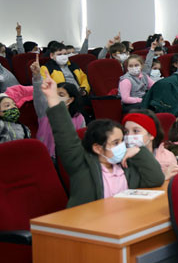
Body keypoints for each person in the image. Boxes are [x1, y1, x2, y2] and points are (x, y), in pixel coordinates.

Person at [42, 75, 164, 207]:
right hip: (90, 218)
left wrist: (140, 152)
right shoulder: (82, 165)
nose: (122, 146)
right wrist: (52, 98)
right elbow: (66, 136)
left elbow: (156, 179)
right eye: (115, 143)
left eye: (122, 141)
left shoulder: (126, 164)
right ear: (98, 148)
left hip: (125, 216)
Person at [31, 58, 85, 157]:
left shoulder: (79, 117)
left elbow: (82, 140)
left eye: (61, 95)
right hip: (46, 156)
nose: (56, 97)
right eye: (55, 94)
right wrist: (37, 76)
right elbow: (39, 95)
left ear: (70, 100)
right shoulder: (46, 111)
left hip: (69, 157)